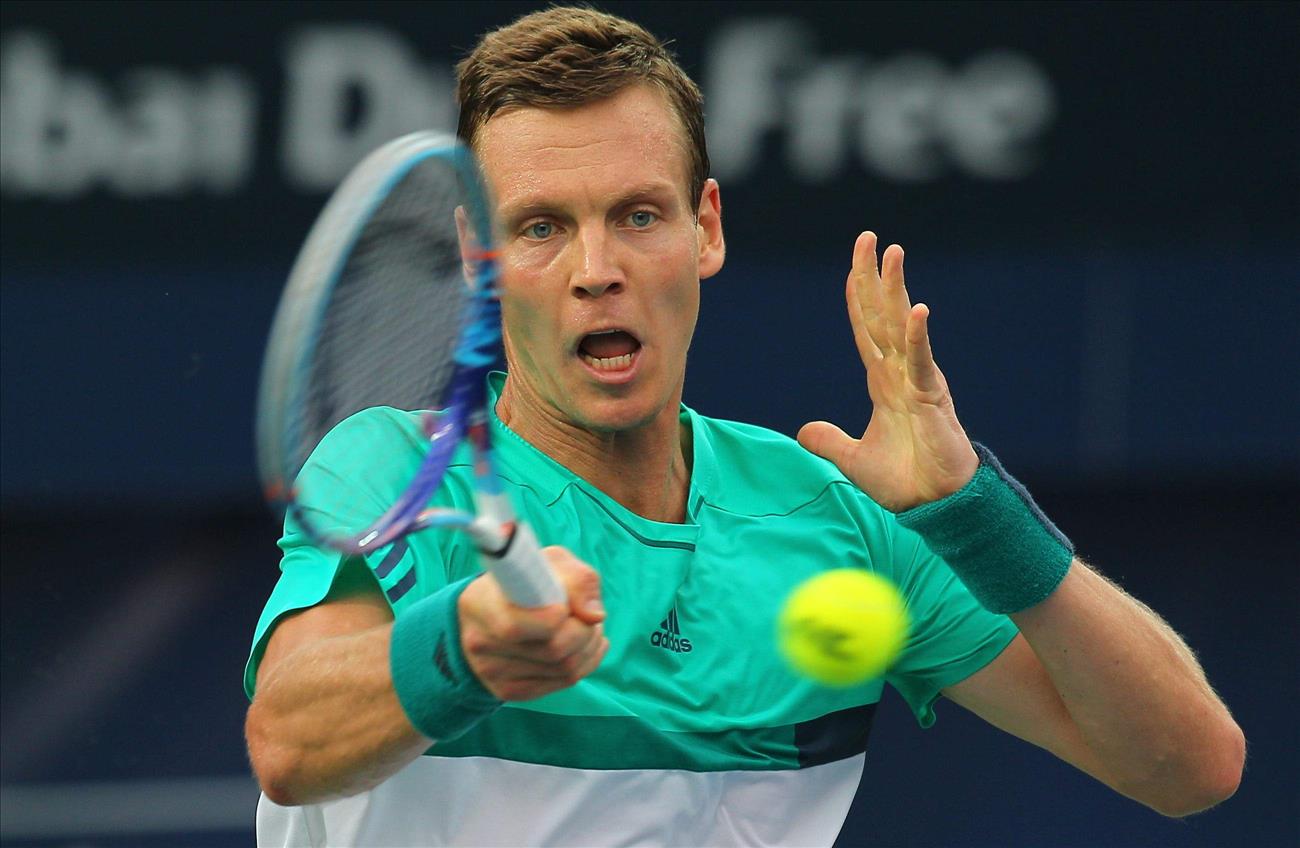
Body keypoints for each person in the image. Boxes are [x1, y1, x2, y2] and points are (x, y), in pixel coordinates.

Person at [244, 7, 1244, 846]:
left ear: (706, 227)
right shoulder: (396, 468)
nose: (597, 269)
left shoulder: (838, 521)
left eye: (638, 215)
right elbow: (287, 745)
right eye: (542, 227)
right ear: (478, 256)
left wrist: (972, 512)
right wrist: (465, 649)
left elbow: (1189, 765)